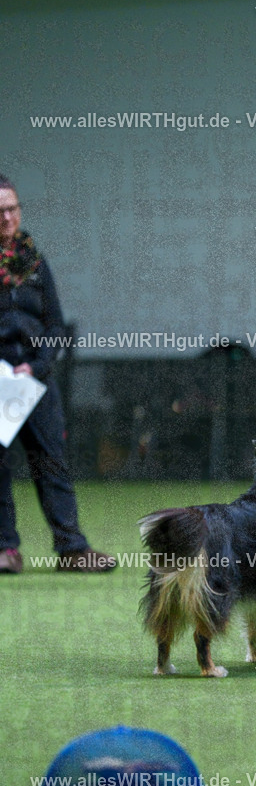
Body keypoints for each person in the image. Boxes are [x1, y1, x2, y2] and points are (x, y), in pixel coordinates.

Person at [0, 175, 115, 573]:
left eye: (12, 208)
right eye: (0, 211)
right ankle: (6, 551)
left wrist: (38, 365)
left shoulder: (33, 262)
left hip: (36, 378)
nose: (8, 218)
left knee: (52, 461)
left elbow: (55, 325)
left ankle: (72, 549)